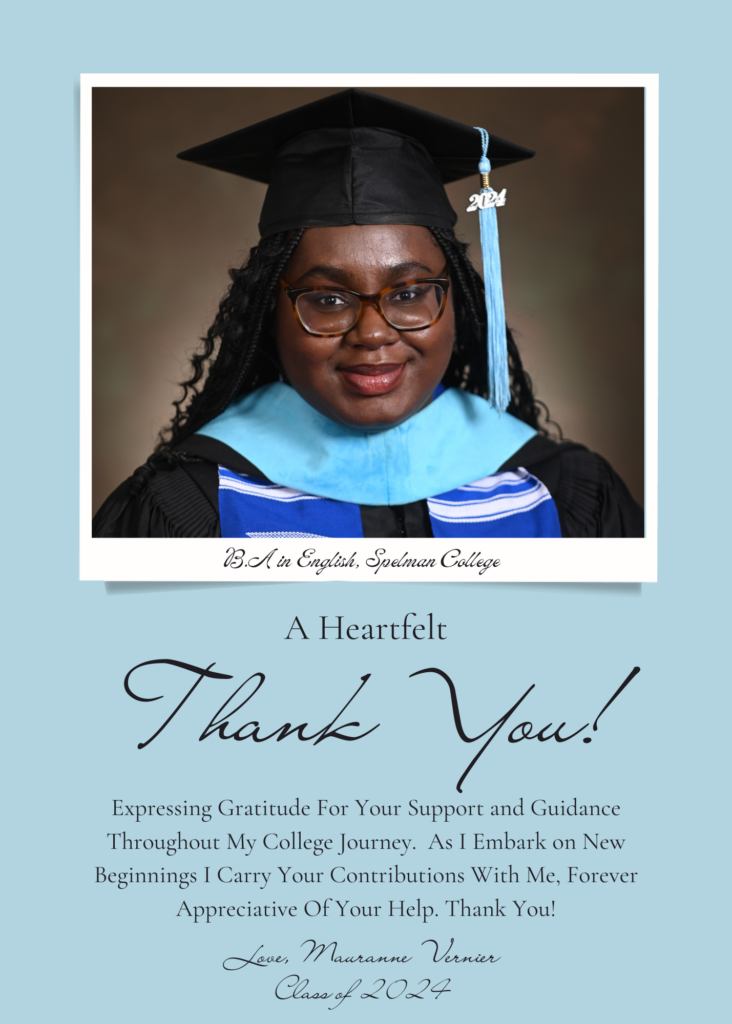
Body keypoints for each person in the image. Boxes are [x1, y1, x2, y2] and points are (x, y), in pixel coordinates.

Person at [93, 89, 643, 540]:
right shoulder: (183, 504)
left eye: (409, 293)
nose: (373, 333)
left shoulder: (563, 490)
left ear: (458, 302)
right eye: (328, 300)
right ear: (270, 312)